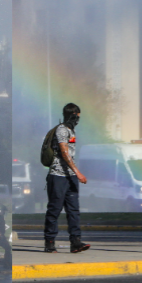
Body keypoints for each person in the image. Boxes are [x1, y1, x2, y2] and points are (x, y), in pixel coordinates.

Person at [44, 103, 90, 253]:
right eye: (77, 116)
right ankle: (49, 242)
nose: (78, 119)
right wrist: (78, 172)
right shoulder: (62, 130)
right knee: (54, 210)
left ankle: (75, 242)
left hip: (70, 177)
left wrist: (74, 174)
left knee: (73, 210)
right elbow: (64, 153)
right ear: (71, 114)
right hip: (58, 176)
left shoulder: (72, 131)